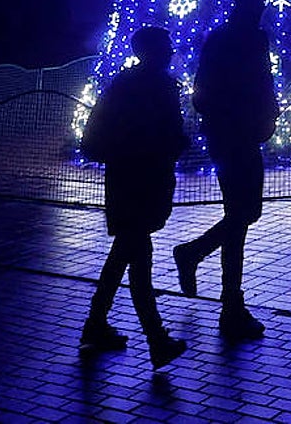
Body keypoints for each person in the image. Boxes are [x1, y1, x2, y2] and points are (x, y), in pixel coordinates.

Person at [173, 0, 280, 342]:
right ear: (250, 2)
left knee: (243, 214)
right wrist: (256, 112)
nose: (265, 4)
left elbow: (206, 92)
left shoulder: (224, 38)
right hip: (237, 135)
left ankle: (212, 278)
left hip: (230, 134)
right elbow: (249, 85)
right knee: (242, 214)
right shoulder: (247, 39)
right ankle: (228, 300)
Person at [79, 26, 189, 369]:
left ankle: (95, 324)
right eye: (167, 46)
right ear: (155, 51)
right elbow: (169, 135)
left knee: (123, 256)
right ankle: (156, 340)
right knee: (139, 263)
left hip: (124, 177)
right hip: (145, 179)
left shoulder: (124, 84)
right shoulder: (159, 87)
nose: (172, 51)